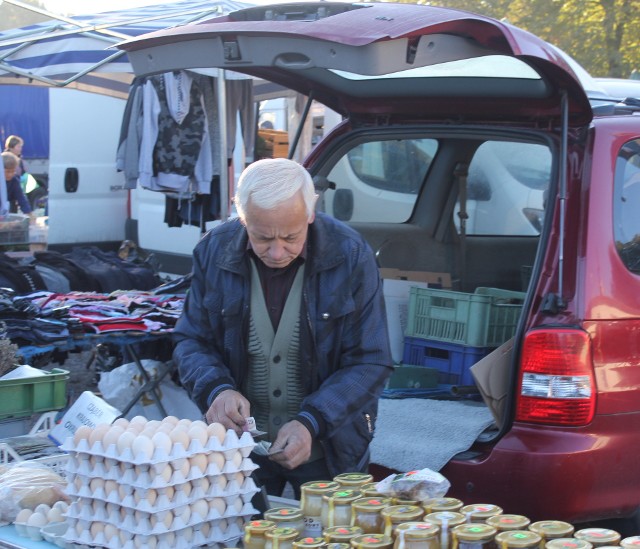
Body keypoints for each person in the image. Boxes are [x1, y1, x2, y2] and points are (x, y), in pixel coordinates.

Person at [173, 157, 393, 498]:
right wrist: (216, 389)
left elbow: (371, 360)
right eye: (262, 238)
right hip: (242, 450)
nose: (277, 252)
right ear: (242, 218)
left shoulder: (350, 254)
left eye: (291, 237)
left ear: (310, 213)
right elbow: (191, 341)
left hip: (330, 446)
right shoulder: (212, 251)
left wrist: (312, 422)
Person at [1, 152, 34, 219]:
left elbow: (22, 199)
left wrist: (29, 215)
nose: (10, 174)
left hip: (8, 212)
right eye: (7, 171)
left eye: (13, 171)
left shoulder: (14, 181)